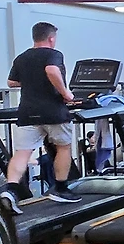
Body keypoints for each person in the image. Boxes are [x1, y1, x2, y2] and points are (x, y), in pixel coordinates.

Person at [5, 22, 76, 202]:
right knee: (63, 147)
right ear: (51, 38)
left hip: (27, 111)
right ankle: (61, 189)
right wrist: (66, 93)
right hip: (54, 112)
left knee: (22, 152)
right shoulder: (54, 54)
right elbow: (51, 70)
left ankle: (10, 190)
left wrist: (32, 81)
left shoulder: (22, 57)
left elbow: (11, 82)